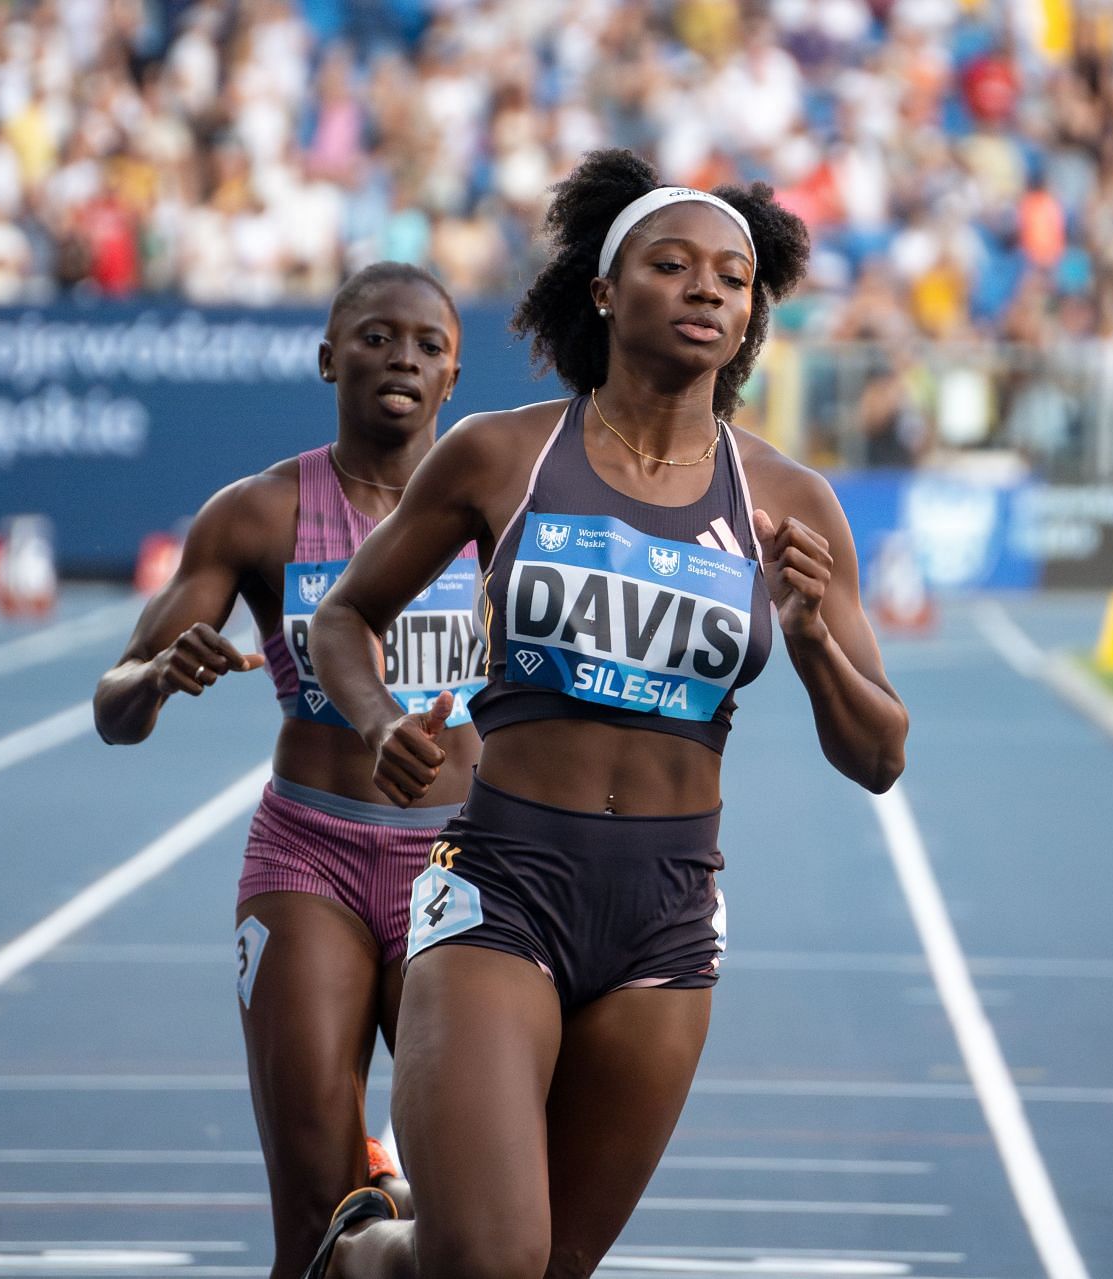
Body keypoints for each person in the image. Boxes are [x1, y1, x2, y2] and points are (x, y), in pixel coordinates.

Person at [303, 149, 909, 1279]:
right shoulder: (503, 454)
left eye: (733, 278)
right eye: (671, 265)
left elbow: (880, 754)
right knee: (487, 1261)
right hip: (504, 884)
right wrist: (381, 721)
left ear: (750, 318)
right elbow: (344, 619)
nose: (706, 290)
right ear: (602, 290)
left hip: (668, 917)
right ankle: (359, 1259)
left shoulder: (785, 498)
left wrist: (816, 635)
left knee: (549, 1269)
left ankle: (380, 1257)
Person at [93, 262, 482, 1276]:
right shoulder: (259, 515)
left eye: (428, 345)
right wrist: (157, 673)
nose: (403, 356)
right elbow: (113, 710)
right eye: (376, 336)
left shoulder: (506, 510)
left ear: (454, 378)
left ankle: (394, 1195)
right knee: (313, 1209)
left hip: (468, 871)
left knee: (479, 1221)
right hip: (310, 858)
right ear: (326, 358)